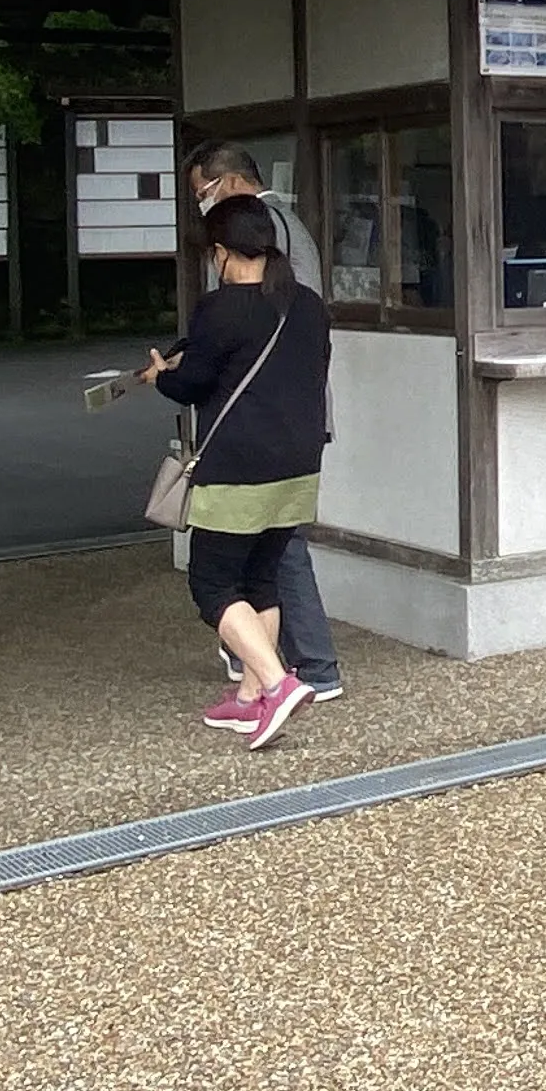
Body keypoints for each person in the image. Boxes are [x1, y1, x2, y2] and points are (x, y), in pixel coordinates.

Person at [141, 195, 333, 748]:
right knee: (261, 578)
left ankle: (276, 685)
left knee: (213, 584)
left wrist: (162, 376)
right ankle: (249, 700)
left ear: (222, 253)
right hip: (299, 461)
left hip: (239, 465)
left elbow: (193, 385)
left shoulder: (220, 309)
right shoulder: (308, 304)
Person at [184, 141, 345, 703]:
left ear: (228, 185)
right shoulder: (294, 240)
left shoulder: (259, 237)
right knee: (267, 561)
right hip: (298, 425)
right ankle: (256, 680)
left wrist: (189, 362)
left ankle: (301, 672)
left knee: (252, 564)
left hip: (254, 432)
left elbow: (223, 353)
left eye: (201, 193)